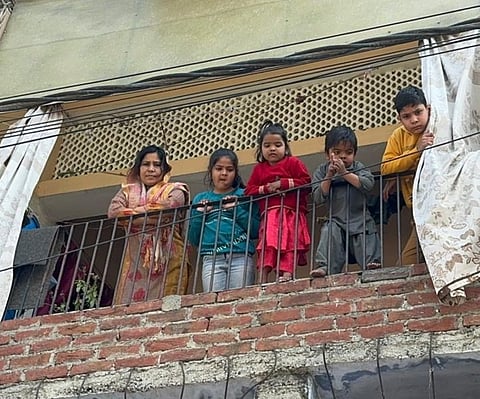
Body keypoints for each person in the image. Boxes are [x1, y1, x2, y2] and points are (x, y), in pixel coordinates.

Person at [108, 145, 190, 304]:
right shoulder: (127, 191)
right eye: (146, 164)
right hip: (135, 264)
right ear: (138, 168)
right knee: (128, 311)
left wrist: (131, 215)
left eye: (157, 165)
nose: (151, 169)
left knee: (165, 308)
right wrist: (151, 214)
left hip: (169, 260)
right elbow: (113, 212)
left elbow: (169, 207)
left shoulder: (177, 189)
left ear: (164, 169)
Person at [245, 120, 311, 283]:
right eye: (267, 145)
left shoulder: (293, 163)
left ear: (285, 147)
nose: (272, 148)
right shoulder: (259, 169)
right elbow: (249, 191)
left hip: (291, 214)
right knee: (267, 245)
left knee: (289, 243)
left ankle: (286, 275)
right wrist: (266, 189)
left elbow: (307, 182)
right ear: (261, 149)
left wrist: (282, 184)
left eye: (277, 144)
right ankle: (262, 278)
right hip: (269, 216)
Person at [310, 126, 381, 277]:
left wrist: (344, 173)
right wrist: (329, 175)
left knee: (366, 233)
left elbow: (368, 184)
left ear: (354, 154)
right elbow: (317, 197)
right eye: (337, 152)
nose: (343, 156)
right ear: (327, 153)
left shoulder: (358, 167)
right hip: (336, 220)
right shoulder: (322, 170)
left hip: (359, 217)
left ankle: (372, 264)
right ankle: (325, 266)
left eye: (348, 152)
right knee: (329, 231)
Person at [188, 148, 260, 292]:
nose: (224, 173)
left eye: (229, 169)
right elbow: (194, 239)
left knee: (240, 300)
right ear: (211, 171)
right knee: (214, 304)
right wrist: (200, 215)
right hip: (211, 258)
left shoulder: (244, 195)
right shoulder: (200, 199)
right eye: (219, 168)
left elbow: (255, 230)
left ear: (235, 173)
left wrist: (236, 210)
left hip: (241, 256)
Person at [381, 85, 433, 265]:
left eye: (418, 112)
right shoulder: (398, 136)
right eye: (407, 116)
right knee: (406, 265)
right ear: (400, 118)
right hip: (418, 210)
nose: (414, 120)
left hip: (442, 203)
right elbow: (386, 167)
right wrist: (416, 151)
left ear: (428, 109)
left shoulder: (439, 125)